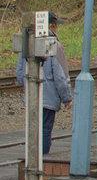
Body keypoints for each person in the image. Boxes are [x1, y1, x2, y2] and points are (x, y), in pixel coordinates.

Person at [15, 12, 72, 155]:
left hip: (31, 97)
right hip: (49, 98)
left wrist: (30, 87)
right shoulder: (55, 46)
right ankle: (43, 161)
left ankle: (31, 158)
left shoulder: (27, 44)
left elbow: (20, 72)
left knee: (32, 129)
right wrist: (67, 98)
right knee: (45, 130)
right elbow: (60, 76)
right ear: (52, 26)